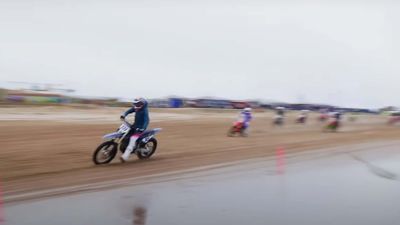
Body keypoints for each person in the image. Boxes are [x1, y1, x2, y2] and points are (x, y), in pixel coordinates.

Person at [119, 98, 150, 162]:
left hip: (140, 129)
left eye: (138, 104)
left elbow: (146, 121)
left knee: (132, 139)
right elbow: (129, 111)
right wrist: (123, 115)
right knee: (124, 134)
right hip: (134, 126)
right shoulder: (136, 108)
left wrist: (143, 128)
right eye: (135, 104)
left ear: (142, 104)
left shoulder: (144, 111)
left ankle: (125, 156)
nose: (136, 105)